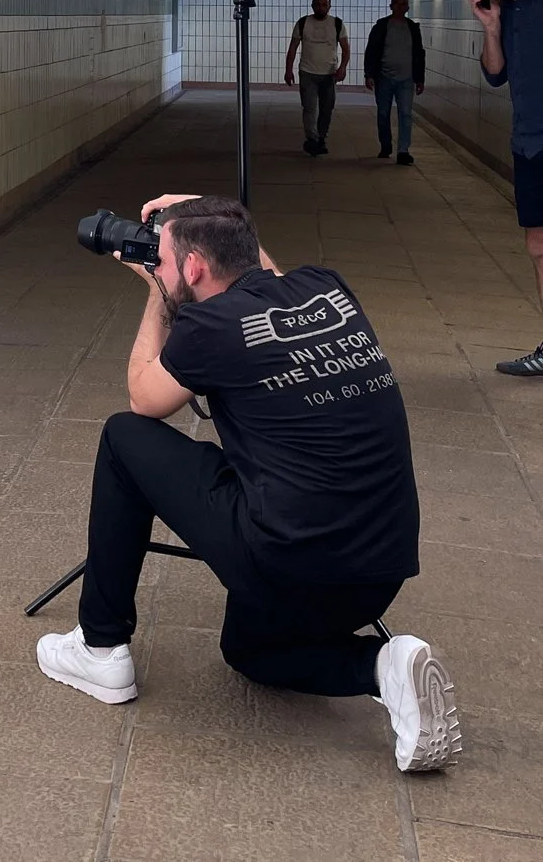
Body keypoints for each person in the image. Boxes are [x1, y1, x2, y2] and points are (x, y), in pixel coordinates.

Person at [34, 194, 461, 774]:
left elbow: (144, 399)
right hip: (379, 571)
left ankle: (100, 646)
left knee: (122, 439)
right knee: (247, 651)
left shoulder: (209, 325)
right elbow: (260, 269)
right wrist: (202, 214)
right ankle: (384, 666)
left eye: (162, 256)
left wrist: (158, 296)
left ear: (191, 268)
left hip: (291, 564)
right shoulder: (326, 288)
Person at [464, 0, 543, 376]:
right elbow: (495, 76)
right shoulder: (502, 12)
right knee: (537, 245)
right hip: (529, 142)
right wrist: (490, 27)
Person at [284, 0, 350, 156]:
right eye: (318, 4)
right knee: (309, 108)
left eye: (324, 4)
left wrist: (342, 67)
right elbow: (292, 47)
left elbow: (345, 48)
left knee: (327, 108)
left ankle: (321, 137)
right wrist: (288, 69)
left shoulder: (337, 24)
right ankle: (312, 139)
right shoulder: (303, 23)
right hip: (307, 73)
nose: (321, 7)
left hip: (329, 74)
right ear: (312, 6)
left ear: (329, 6)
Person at [364, 0, 425, 165]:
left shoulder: (412, 28)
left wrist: (420, 79)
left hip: (407, 79)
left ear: (407, 7)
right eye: (396, 4)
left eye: (403, 4)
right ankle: (385, 145)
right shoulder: (382, 26)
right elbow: (372, 51)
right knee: (383, 113)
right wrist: (369, 74)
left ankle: (403, 150)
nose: (400, 7)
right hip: (384, 77)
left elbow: (419, 53)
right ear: (391, 6)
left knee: (405, 114)